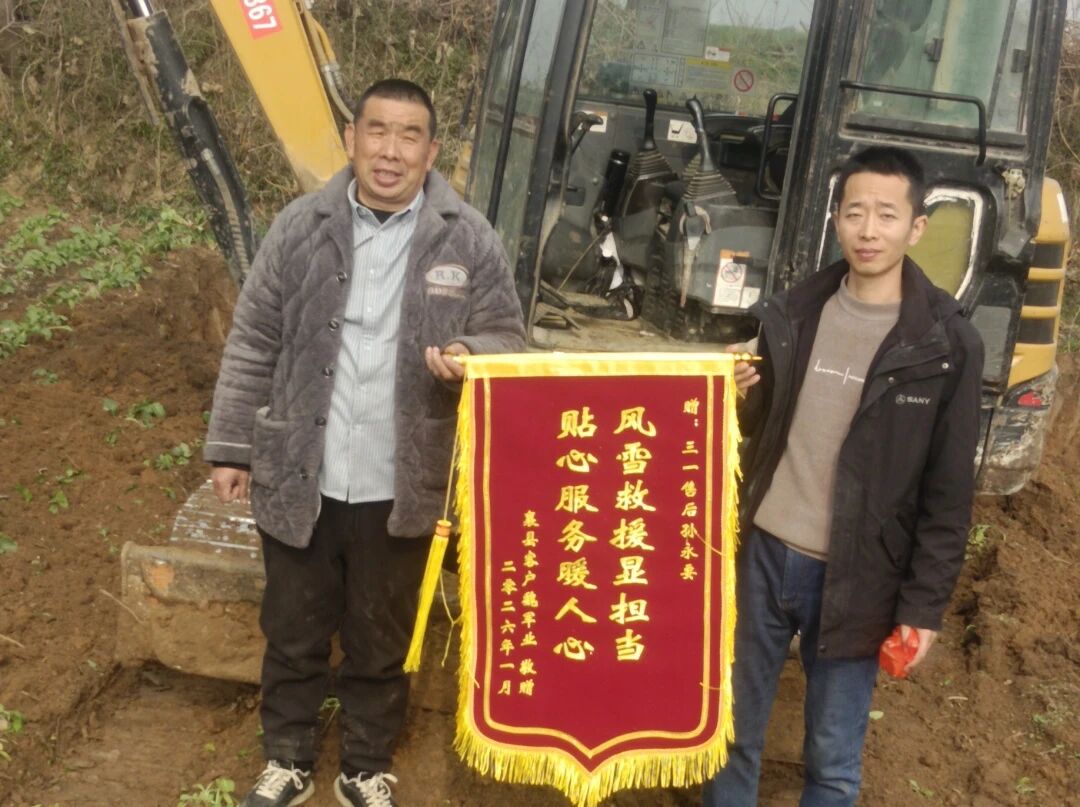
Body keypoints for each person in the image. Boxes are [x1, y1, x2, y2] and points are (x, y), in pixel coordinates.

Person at [204, 78, 526, 807]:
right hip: (304, 474)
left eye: (409, 135)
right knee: (293, 629)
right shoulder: (300, 226)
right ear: (352, 139)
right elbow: (253, 339)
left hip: (401, 482)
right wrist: (230, 448)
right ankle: (287, 759)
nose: (390, 151)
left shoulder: (468, 237)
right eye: (376, 131)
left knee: (382, 639)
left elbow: (507, 335)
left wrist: (471, 351)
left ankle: (364, 766)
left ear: (431, 152)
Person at [705, 146, 984, 806]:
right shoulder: (793, 315)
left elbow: (948, 494)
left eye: (887, 214)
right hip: (764, 553)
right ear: (836, 220)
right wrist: (738, 394)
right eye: (855, 212)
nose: (869, 230)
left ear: (916, 227)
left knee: (831, 759)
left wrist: (922, 608)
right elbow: (756, 432)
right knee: (731, 734)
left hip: (860, 575)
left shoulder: (945, 345)